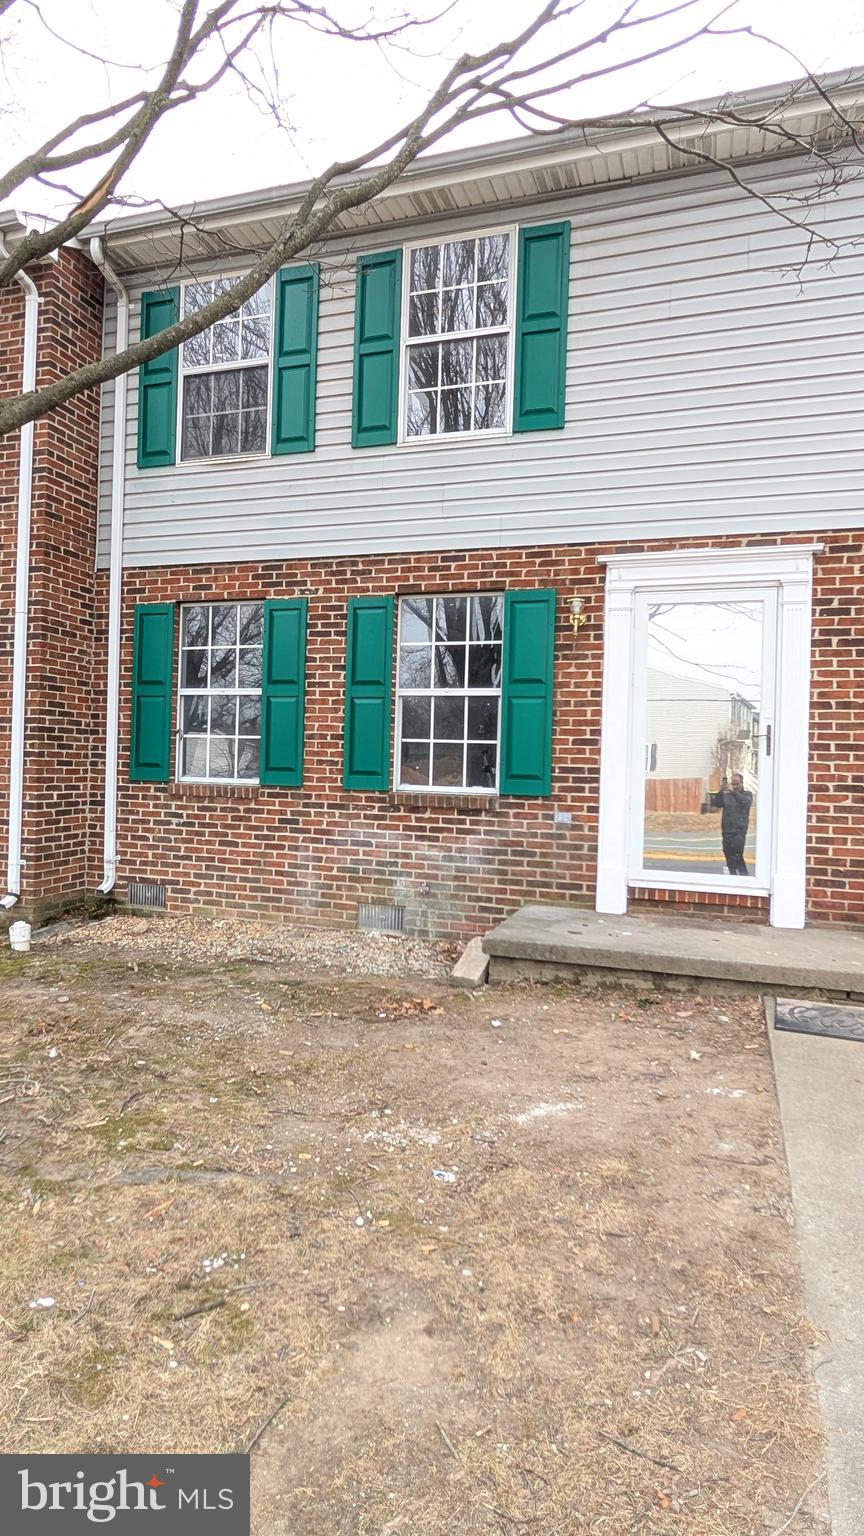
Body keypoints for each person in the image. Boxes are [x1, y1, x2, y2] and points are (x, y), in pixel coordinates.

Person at [710, 772, 753, 876]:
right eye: (733, 784)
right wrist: (720, 792)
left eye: (737, 784)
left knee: (737, 855)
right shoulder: (727, 795)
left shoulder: (747, 794)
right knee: (728, 854)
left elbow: (745, 802)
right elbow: (714, 807)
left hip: (739, 831)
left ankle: (744, 875)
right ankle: (733, 875)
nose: (734, 786)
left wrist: (733, 792)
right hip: (727, 830)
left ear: (742, 784)